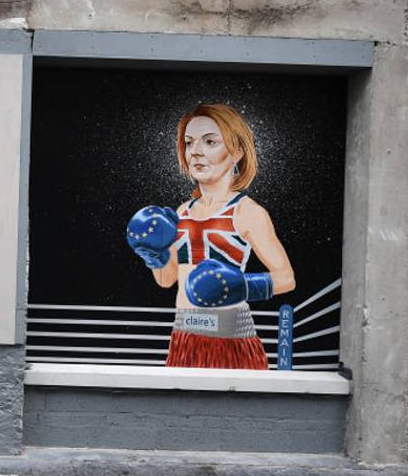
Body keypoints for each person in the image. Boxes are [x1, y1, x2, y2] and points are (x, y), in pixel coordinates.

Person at [126, 103, 295, 369]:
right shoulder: (181, 212)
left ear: (237, 152)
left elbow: (286, 278)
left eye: (210, 141)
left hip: (232, 339)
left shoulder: (247, 211)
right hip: (184, 338)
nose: (195, 151)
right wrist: (153, 255)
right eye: (189, 143)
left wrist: (242, 286)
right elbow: (167, 280)